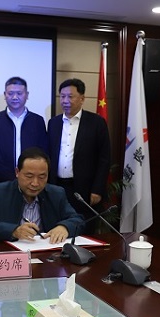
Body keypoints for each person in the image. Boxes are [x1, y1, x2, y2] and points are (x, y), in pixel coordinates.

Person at [0, 147, 83, 243]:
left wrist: (64, 227)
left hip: (46, 253)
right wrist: (14, 231)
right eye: (29, 176)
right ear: (17, 172)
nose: (35, 183)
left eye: (42, 177)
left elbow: (78, 220)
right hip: (12, 253)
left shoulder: (56, 194)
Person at [47, 78, 111, 231]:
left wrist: (97, 189)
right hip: (57, 187)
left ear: (82, 98)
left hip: (84, 189)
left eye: (70, 96)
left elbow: (104, 158)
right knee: (57, 228)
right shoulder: (53, 123)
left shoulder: (96, 123)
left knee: (84, 230)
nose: (65, 101)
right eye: (62, 96)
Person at [0, 76, 48, 184]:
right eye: (10, 93)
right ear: (5, 95)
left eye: (19, 93)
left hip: (31, 181)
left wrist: (27, 176)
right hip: (1, 182)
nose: (14, 97)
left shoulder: (37, 121)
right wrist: (13, 179)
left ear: (27, 95)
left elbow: (42, 151)